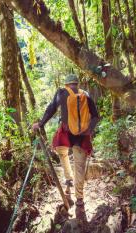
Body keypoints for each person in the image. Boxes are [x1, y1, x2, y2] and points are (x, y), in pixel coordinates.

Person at [32, 74, 99, 220]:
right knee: (79, 166)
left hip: (66, 134)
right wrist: (89, 130)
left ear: (67, 84)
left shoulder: (62, 93)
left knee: (61, 151)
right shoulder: (85, 95)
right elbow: (95, 115)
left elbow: (51, 109)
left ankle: (68, 178)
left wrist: (41, 124)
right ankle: (79, 199)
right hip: (82, 136)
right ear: (77, 83)